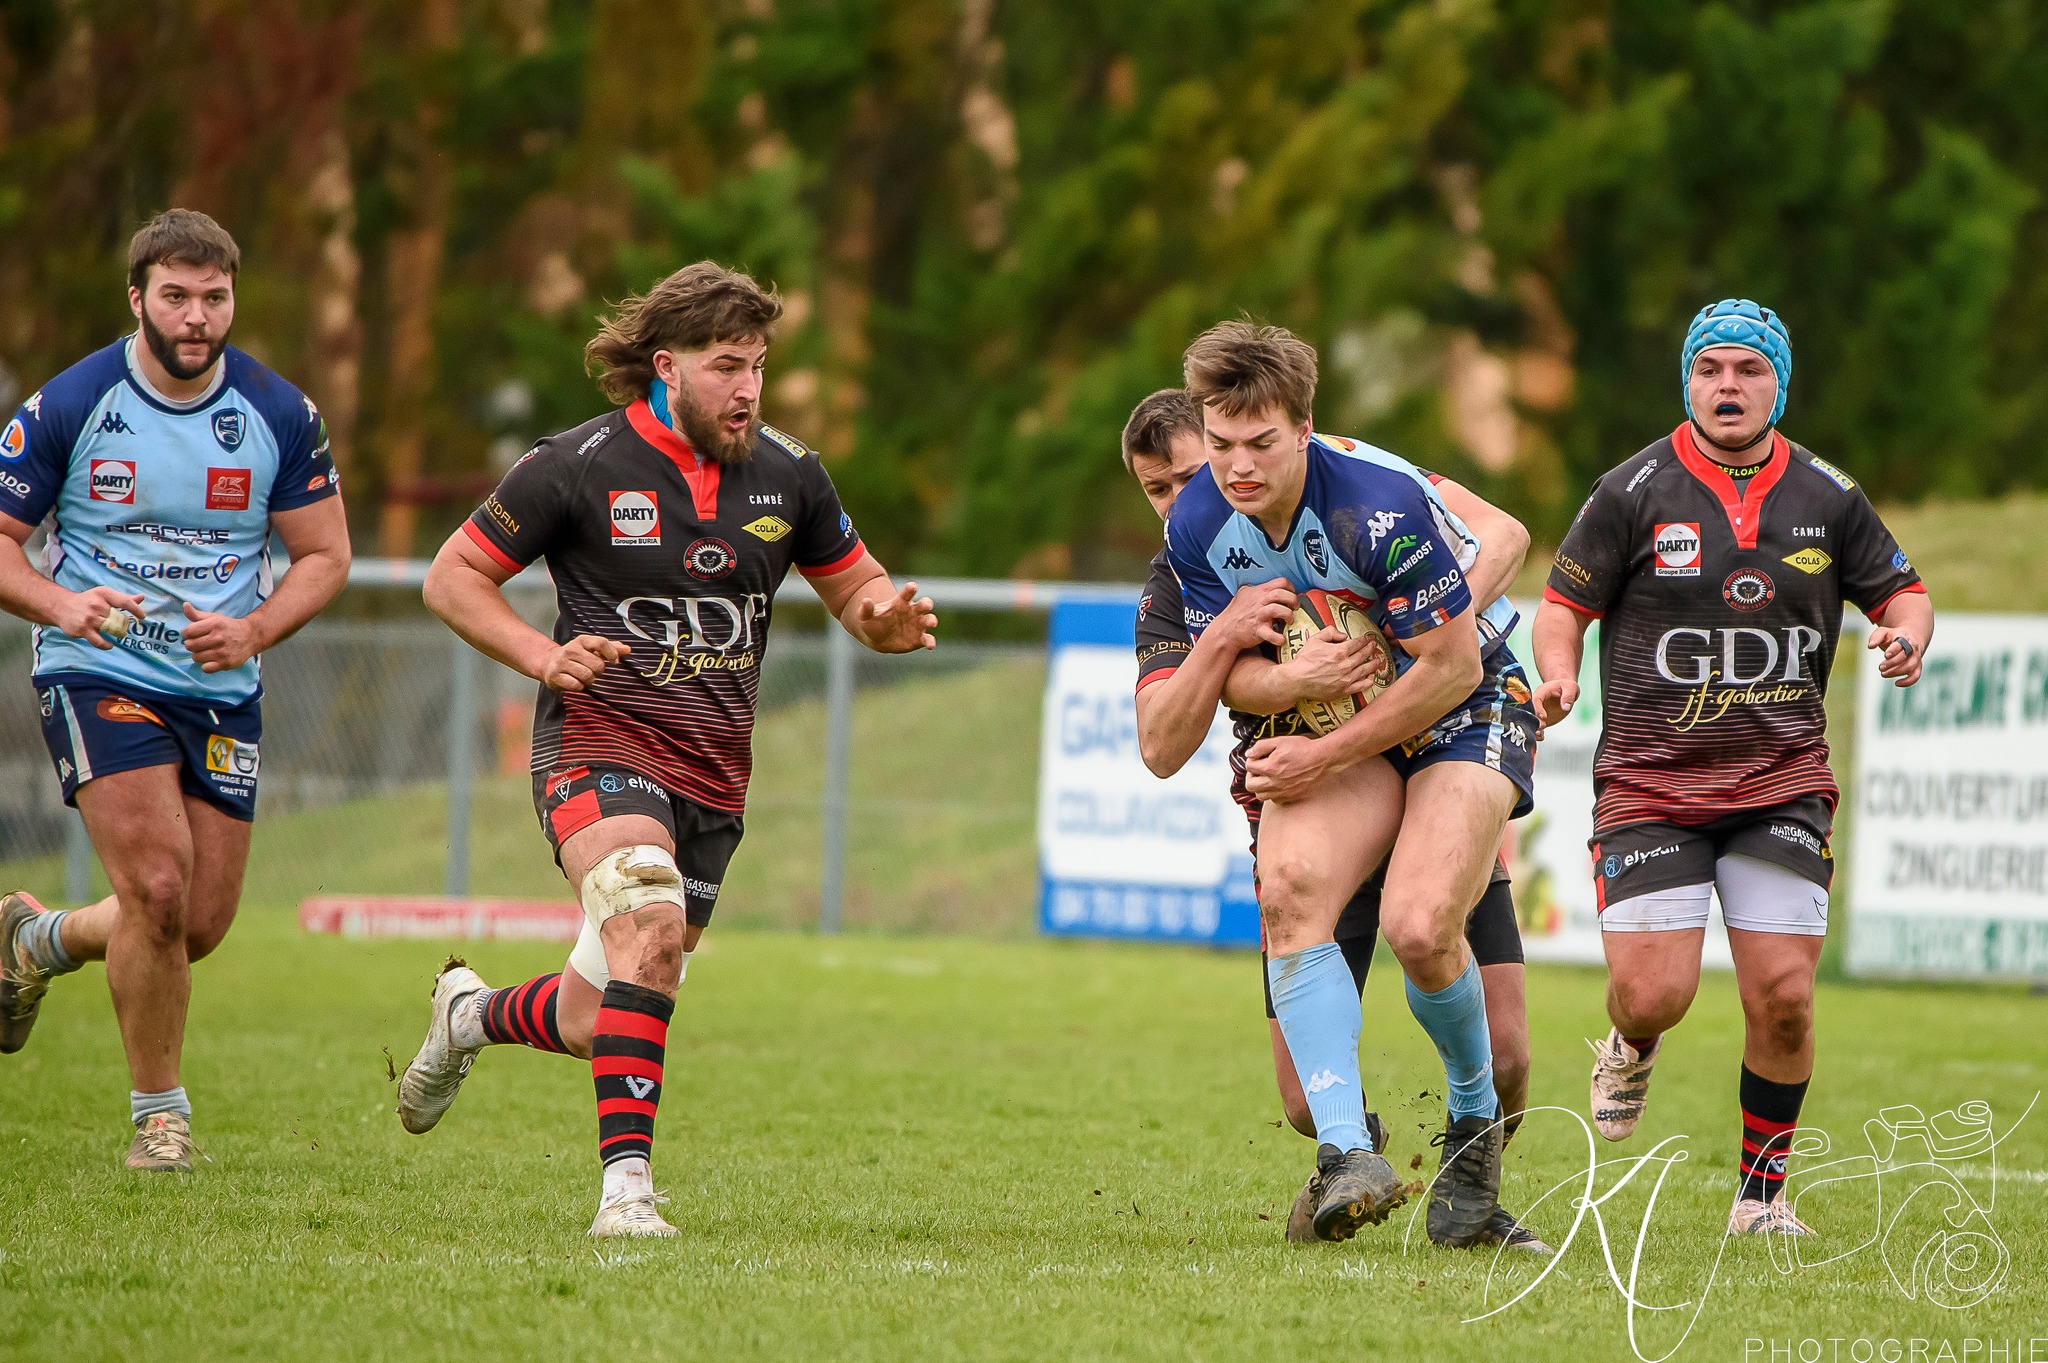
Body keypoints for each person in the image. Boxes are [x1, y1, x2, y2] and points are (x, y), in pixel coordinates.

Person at [394, 262, 937, 1239]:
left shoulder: (790, 473)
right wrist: (542, 653)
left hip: (714, 779)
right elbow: (452, 578)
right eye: (727, 366)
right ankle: (625, 1198)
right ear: (665, 366)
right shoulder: (577, 464)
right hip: (597, 743)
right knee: (643, 916)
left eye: (760, 366)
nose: (748, 389)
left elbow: (860, 591)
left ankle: (467, 1017)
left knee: (602, 1011)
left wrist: (884, 620)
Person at [1530, 299, 1932, 1235]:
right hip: (1651, 782)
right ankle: (1630, 1041)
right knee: (1654, 992)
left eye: (1749, 370)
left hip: (1779, 781)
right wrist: (1556, 674)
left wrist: (1905, 637)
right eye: (1710, 369)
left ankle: (1760, 1197)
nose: (1728, 386)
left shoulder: (1830, 497)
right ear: (1688, 383)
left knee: (1784, 995)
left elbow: (1902, 591)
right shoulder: (1631, 491)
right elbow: (1561, 607)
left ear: (1777, 386)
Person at [1124, 389, 1547, 1251]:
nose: (1187, 494)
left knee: (1500, 1050)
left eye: (1188, 475)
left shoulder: (1361, 483)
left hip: (1437, 727)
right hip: (1333, 776)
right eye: (1155, 489)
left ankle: (1472, 1171)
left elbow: (1501, 535)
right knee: (1300, 1094)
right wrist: (1268, 667)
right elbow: (1163, 744)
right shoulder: (1191, 554)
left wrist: (1404, 638)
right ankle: (1352, 1155)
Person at [0, 209, 351, 1172]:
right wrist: (63, 606)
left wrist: (255, 625)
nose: (197, 317)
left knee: (193, 922)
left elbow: (326, 554)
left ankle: (38, 940)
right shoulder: (72, 404)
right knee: (156, 885)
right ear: (138, 300)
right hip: (97, 668)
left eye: (214, 297)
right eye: (176, 297)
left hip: (221, 683)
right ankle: (161, 1117)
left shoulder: (279, 413)